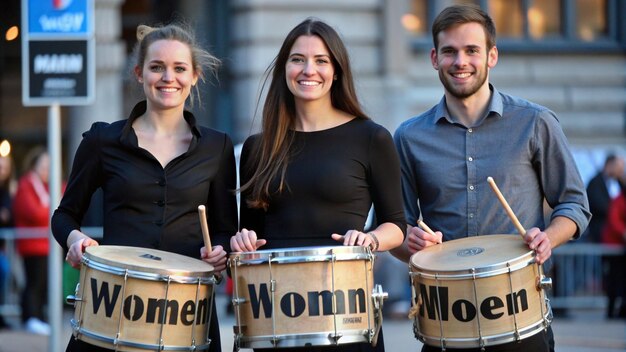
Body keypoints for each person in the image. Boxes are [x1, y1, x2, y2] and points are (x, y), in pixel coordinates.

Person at [390, 5, 590, 352]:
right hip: (446, 322)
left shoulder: (535, 122)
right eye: (450, 51)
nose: (460, 61)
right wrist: (413, 246)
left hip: (521, 316)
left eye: (472, 50)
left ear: (492, 55)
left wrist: (548, 238)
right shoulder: (408, 137)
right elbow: (394, 229)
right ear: (434, 58)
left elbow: (574, 204)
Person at [51, 22, 237, 352]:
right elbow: (64, 216)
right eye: (156, 67)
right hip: (112, 311)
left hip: (188, 314)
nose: (168, 77)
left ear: (194, 76)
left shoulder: (217, 148)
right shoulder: (101, 141)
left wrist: (220, 252)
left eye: (179, 68)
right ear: (139, 73)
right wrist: (75, 238)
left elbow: (224, 230)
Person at [231, 17, 406, 352]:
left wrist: (370, 239)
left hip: (348, 315)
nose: (308, 70)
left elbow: (396, 225)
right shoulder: (257, 147)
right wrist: (242, 241)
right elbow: (247, 237)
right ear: (285, 68)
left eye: (321, 61)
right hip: (277, 320)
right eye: (298, 59)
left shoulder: (371, 138)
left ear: (336, 71)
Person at [12, 147, 52, 335]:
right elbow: (33, 213)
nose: (47, 170)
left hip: (44, 244)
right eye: (44, 165)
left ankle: (38, 317)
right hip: (32, 244)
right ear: (35, 165)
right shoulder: (27, 184)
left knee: (42, 284)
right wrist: (51, 211)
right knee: (33, 283)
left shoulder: (45, 186)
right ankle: (31, 317)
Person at [586, 154, 625, 243]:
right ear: (609, 165)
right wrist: (616, 209)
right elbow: (597, 204)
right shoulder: (595, 183)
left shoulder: (620, 183)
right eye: (618, 167)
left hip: (618, 235)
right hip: (600, 232)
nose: (621, 171)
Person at [600, 191, 626, 319]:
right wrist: (623, 232)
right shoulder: (618, 200)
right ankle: (611, 312)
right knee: (613, 281)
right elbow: (614, 219)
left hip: (620, 246)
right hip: (614, 247)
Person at [0, 152, 15, 329]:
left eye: (4, 167)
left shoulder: (8, 190)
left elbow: (8, 217)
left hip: (3, 246)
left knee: (4, 273)